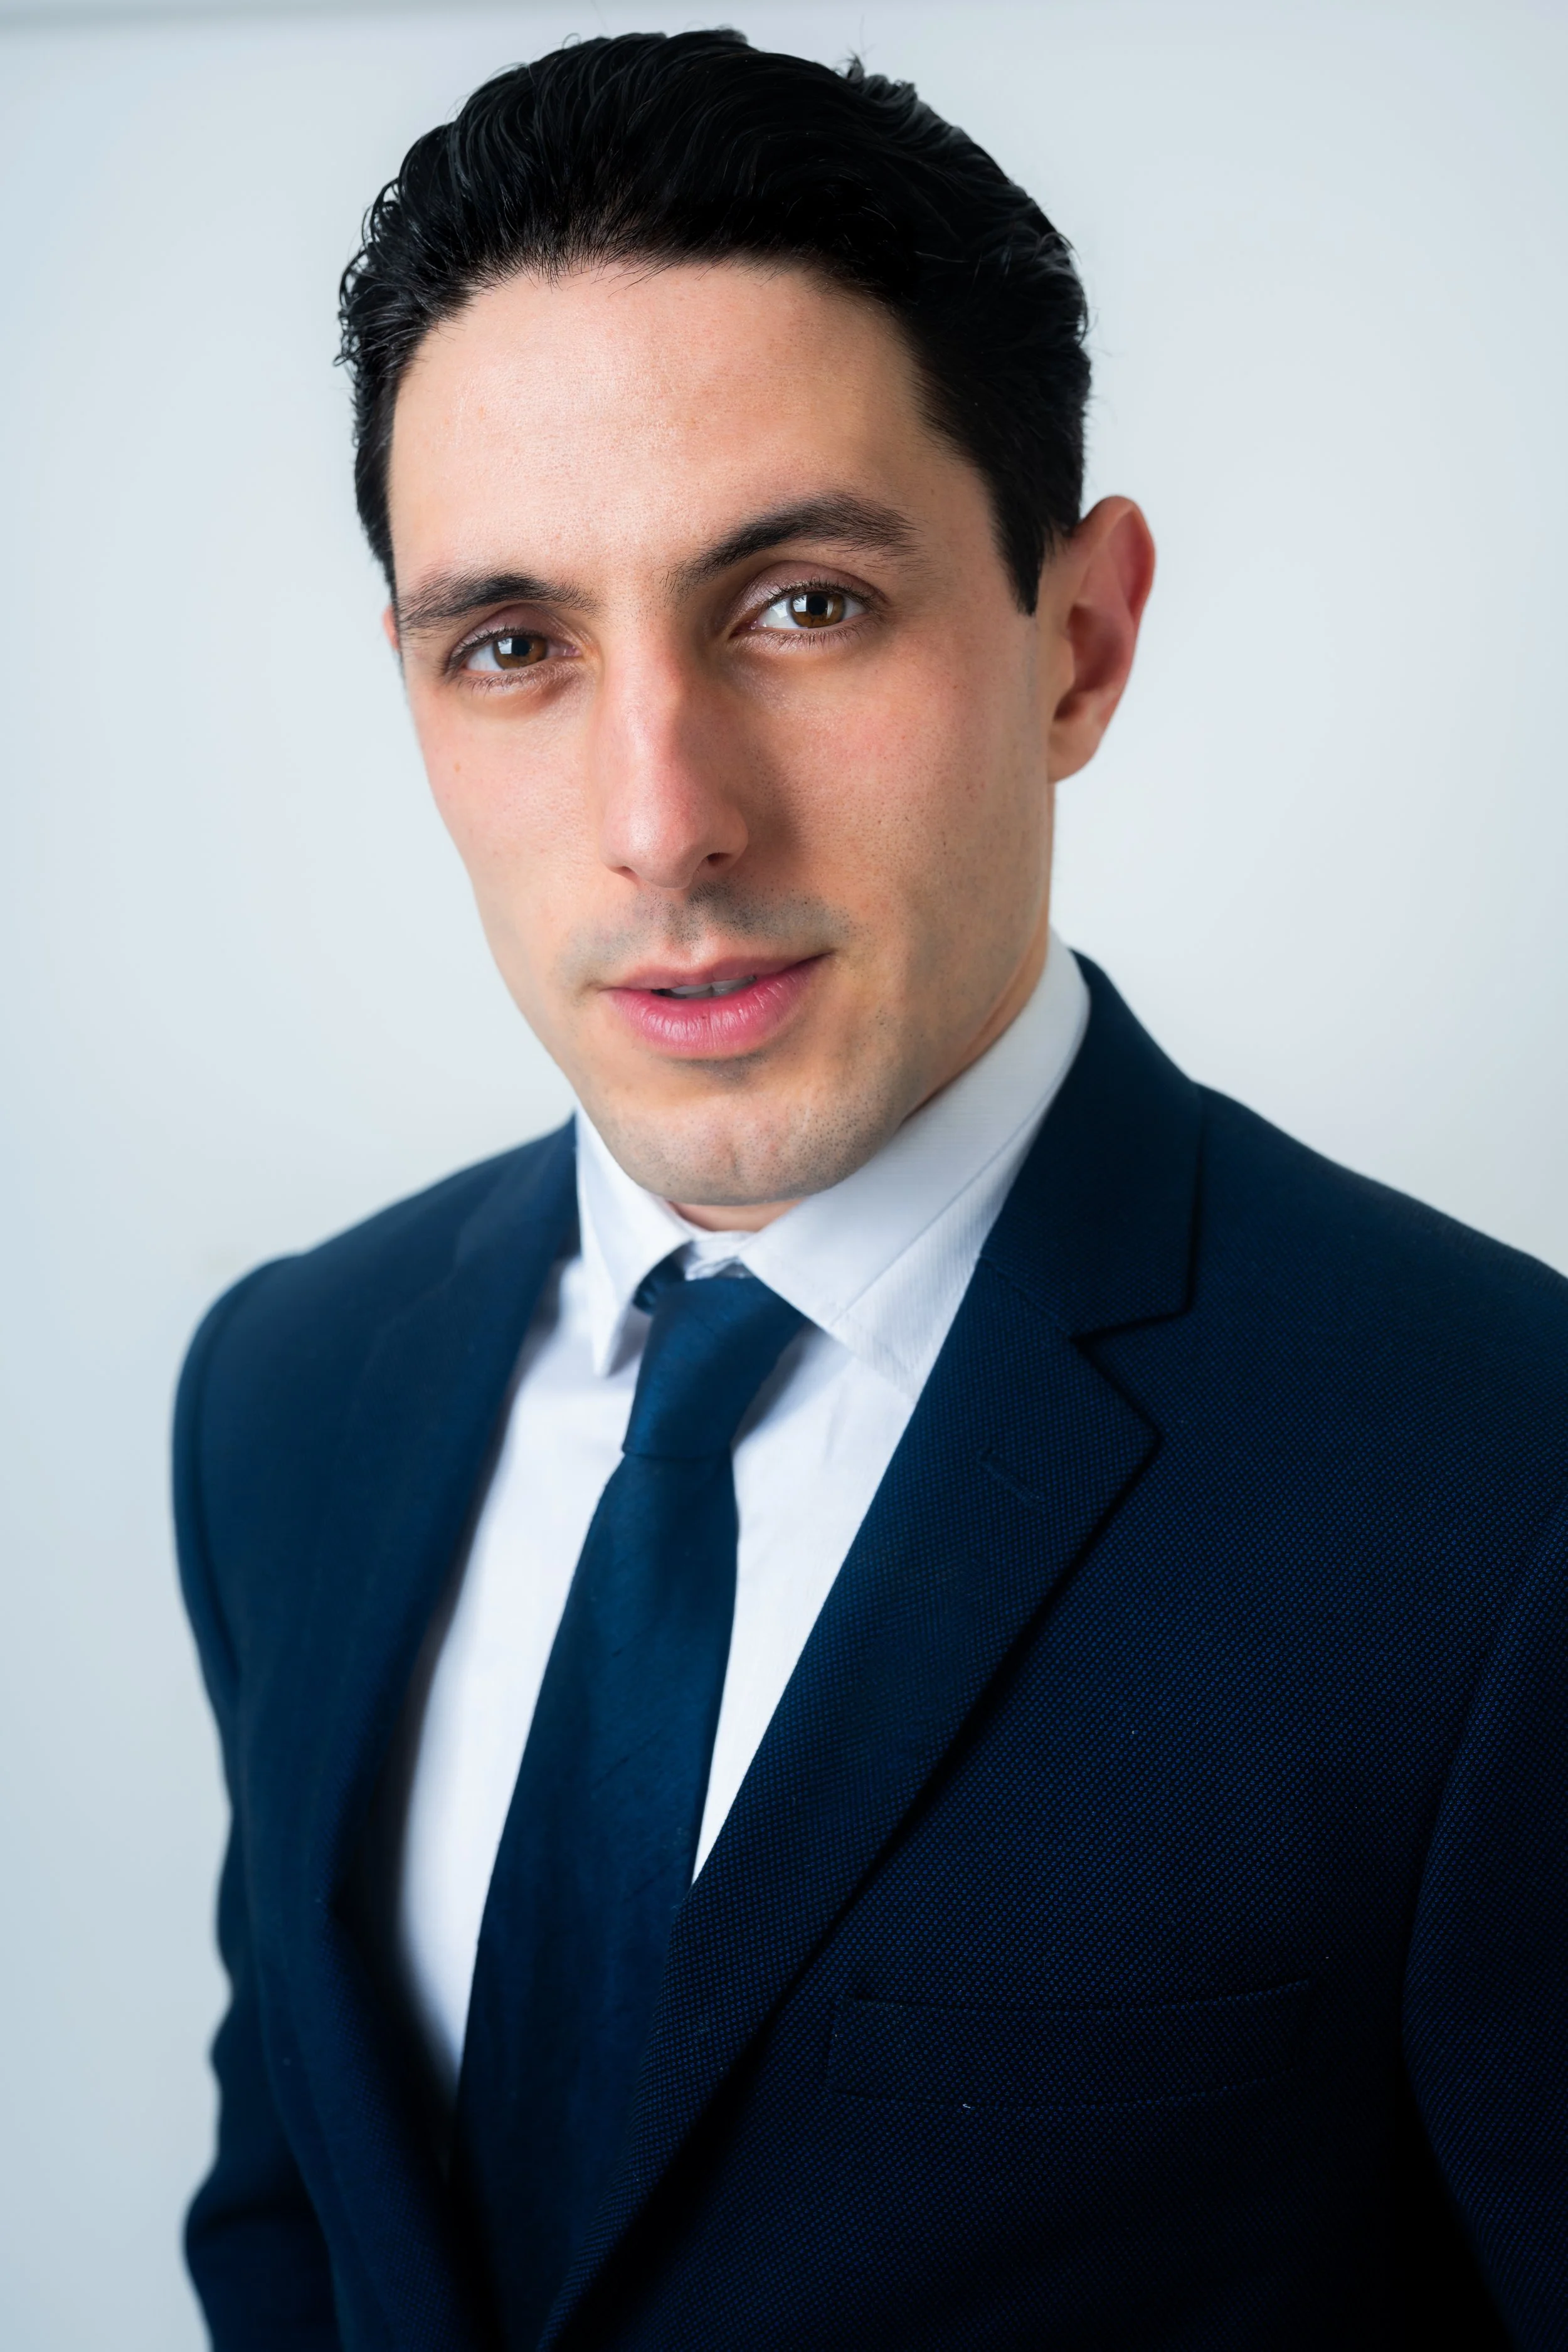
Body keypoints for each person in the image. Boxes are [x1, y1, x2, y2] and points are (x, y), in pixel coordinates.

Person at [173, 29, 1567, 2351]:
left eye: (801, 601)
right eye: (513, 645)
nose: (664, 816)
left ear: (1078, 640)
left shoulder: (1503, 1500)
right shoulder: (287, 1393)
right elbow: (295, 2228)